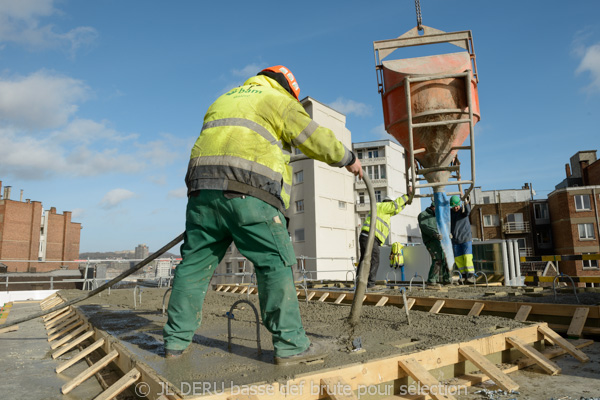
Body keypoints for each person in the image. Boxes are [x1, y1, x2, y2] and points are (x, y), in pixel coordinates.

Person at [163, 65, 363, 366]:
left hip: (201, 194)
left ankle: (175, 344)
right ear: (288, 89)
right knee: (275, 263)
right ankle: (291, 346)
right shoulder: (278, 100)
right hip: (249, 193)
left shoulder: (223, 99)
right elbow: (314, 137)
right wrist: (348, 158)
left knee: (193, 266)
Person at [357, 191, 410, 289]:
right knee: (374, 259)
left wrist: (405, 203)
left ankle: (360, 282)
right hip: (370, 237)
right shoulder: (382, 206)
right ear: (389, 202)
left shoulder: (384, 212)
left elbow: (396, 210)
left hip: (367, 236)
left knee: (365, 259)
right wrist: (406, 196)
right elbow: (394, 206)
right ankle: (370, 284)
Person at [418, 201, 450, 285]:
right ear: (433, 207)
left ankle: (446, 279)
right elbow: (425, 227)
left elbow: (443, 226)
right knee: (437, 258)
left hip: (439, 240)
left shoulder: (438, 216)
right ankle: (432, 279)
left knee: (445, 258)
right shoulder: (423, 215)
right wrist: (435, 234)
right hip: (431, 240)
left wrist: (447, 234)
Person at [450, 195, 475, 283]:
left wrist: (466, 202)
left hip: (465, 238)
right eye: (453, 206)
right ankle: (463, 276)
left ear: (459, 204)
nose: (455, 208)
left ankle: (471, 275)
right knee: (458, 259)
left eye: (456, 206)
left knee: (467, 257)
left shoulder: (463, 211)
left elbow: (468, 211)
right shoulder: (450, 213)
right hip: (455, 240)